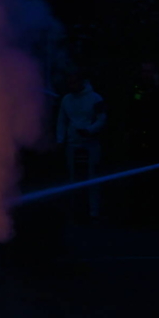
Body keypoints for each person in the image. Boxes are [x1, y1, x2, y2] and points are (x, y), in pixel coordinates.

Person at [56, 72, 106, 220]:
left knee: (92, 178)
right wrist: (60, 140)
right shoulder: (66, 99)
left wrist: (89, 131)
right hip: (72, 144)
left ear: (82, 82)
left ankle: (94, 212)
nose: (71, 86)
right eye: (69, 83)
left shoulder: (96, 98)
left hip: (90, 144)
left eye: (73, 82)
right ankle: (76, 211)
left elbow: (102, 119)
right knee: (73, 179)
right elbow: (61, 121)